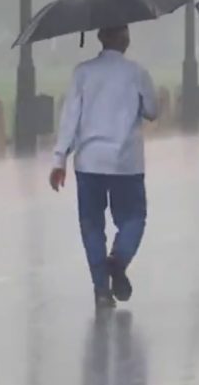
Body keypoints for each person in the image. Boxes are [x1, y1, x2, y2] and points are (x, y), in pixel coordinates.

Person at [49, 26, 159, 309]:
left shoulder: (82, 72)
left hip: (89, 161)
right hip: (126, 162)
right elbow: (152, 111)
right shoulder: (137, 72)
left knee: (91, 225)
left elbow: (70, 117)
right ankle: (117, 261)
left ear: (100, 37)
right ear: (124, 39)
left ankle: (101, 289)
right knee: (133, 218)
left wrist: (59, 158)